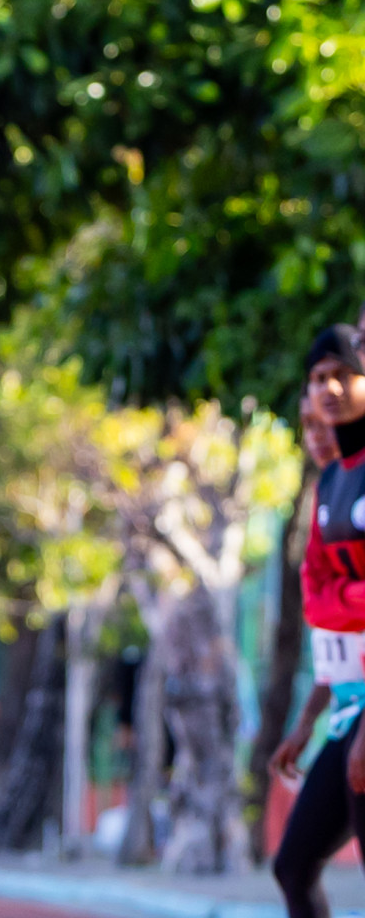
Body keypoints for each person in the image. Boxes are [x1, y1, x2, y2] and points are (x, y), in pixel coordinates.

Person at [272, 328, 365, 918]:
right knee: (293, 865)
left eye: (342, 374)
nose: (327, 391)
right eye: (315, 379)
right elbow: (318, 603)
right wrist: (309, 718)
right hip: (348, 708)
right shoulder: (332, 483)